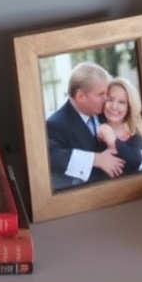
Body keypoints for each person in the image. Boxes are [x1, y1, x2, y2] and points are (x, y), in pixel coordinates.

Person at [45, 61, 126, 189]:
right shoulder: (55, 124)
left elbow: (131, 127)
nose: (107, 99)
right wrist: (95, 159)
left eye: (107, 93)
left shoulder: (107, 111)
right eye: (101, 94)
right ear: (81, 96)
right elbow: (51, 156)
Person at [97, 77, 142, 174]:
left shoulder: (135, 134)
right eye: (110, 99)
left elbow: (134, 162)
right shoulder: (93, 125)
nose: (114, 106)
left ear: (129, 107)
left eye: (122, 102)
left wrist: (113, 141)